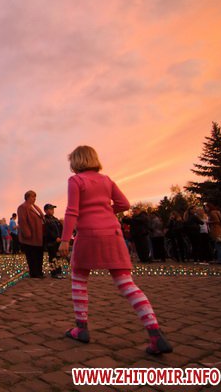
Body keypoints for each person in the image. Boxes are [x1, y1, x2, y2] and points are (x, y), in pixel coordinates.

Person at [58, 145, 172, 355]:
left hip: (88, 234)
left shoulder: (76, 180)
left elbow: (72, 211)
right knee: (126, 283)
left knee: (79, 278)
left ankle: (81, 328)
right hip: (113, 233)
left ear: (76, 161)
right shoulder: (106, 180)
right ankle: (155, 333)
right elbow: (124, 204)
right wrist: (106, 210)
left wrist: (65, 240)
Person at [18, 190, 45, 278]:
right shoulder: (22, 207)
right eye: (33, 197)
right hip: (30, 237)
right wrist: (27, 234)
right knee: (32, 255)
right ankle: (34, 273)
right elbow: (22, 221)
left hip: (38, 235)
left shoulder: (35, 207)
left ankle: (39, 272)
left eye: (35, 197)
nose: (34, 198)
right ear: (27, 197)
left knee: (39, 254)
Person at [44, 204, 65, 279]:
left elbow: (60, 228)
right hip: (51, 242)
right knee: (53, 258)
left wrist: (61, 237)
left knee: (58, 257)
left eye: (53, 209)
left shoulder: (55, 219)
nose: (52, 210)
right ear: (45, 210)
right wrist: (55, 237)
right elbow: (47, 231)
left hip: (58, 241)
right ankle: (54, 273)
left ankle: (59, 272)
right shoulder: (45, 219)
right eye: (50, 209)